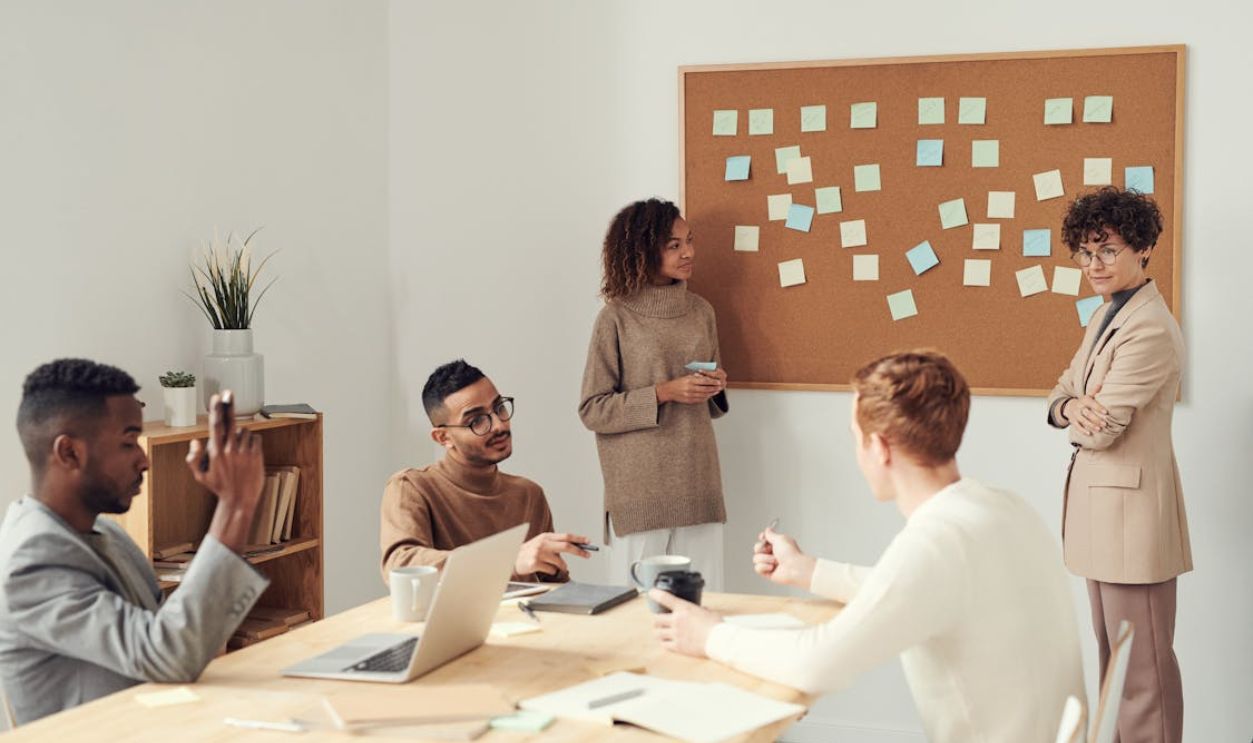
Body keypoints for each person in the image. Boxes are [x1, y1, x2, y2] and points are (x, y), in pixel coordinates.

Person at [651, 350, 1084, 743]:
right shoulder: (999, 507)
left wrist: (710, 635)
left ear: (878, 448)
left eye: (856, 437)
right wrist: (808, 570)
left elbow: (814, 663)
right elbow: (917, 591)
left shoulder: (937, 541)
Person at [0, 359, 269, 725]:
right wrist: (235, 505)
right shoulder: (31, 560)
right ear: (69, 453)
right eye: (129, 443)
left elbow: (172, 642)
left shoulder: (107, 533)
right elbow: (169, 653)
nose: (144, 460)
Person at [1046, 186, 1188, 743]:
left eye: (1107, 250)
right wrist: (1073, 404)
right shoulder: (1108, 315)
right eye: (1084, 252)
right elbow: (1061, 394)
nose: (1093, 265)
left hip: (1133, 521)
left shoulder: (1149, 327)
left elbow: (1102, 431)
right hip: (1104, 517)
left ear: (1144, 247)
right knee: (1117, 668)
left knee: (1142, 676)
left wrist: (1080, 411)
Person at [579, 198, 729, 590]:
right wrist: (664, 392)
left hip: (698, 482)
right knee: (636, 614)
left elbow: (708, 405)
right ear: (642, 249)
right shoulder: (616, 317)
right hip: (640, 494)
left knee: (705, 606)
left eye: (689, 241)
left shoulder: (701, 311)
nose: (689, 252)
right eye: (673, 245)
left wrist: (713, 387)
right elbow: (594, 410)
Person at [380, 359, 589, 582]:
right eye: (477, 420)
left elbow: (556, 591)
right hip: (454, 618)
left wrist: (554, 568)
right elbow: (400, 565)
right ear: (443, 437)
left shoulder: (529, 494)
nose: (499, 425)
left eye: (499, 408)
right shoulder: (411, 487)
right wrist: (506, 560)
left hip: (524, 617)